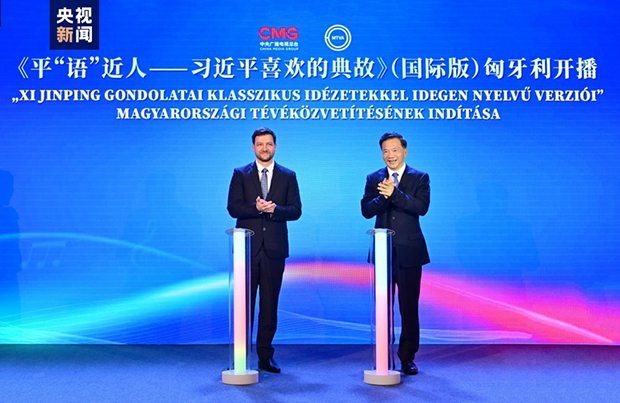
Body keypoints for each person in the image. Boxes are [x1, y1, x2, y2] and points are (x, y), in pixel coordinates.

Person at [227, 127, 302, 373]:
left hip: (274, 250)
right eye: (260, 144)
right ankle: (241, 355)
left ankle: (265, 356)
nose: (264, 148)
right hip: (247, 250)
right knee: (244, 305)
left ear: (275, 146)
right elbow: (233, 207)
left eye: (269, 144)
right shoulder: (240, 174)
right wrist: (256, 208)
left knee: (269, 306)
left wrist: (274, 210)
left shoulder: (288, 175)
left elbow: (296, 210)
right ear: (253, 147)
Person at [361, 132, 430, 375]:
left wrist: (395, 194)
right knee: (383, 307)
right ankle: (384, 354)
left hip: (410, 252)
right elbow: (366, 210)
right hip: (383, 253)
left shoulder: (420, 177)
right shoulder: (374, 178)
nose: (390, 155)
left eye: (395, 150)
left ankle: (407, 357)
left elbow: (421, 207)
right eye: (385, 151)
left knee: (409, 307)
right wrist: (383, 196)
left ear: (404, 152)